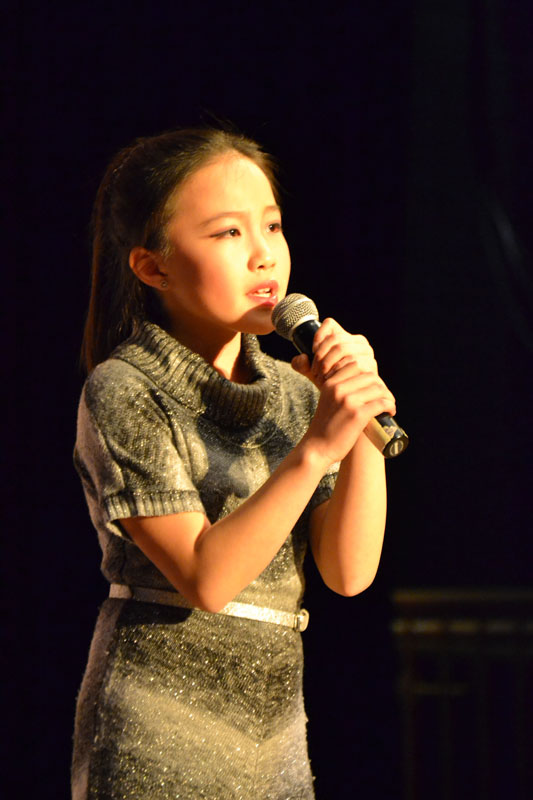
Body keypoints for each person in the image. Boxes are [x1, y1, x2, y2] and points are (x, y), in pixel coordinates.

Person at [72, 127, 396, 800]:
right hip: (155, 732)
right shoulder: (125, 389)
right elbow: (207, 579)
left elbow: (348, 573)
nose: (262, 256)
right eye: (227, 234)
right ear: (152, 267)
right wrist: (314, 450)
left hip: (272, 734)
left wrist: (356, 423)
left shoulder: (291, 391)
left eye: (271, 227)